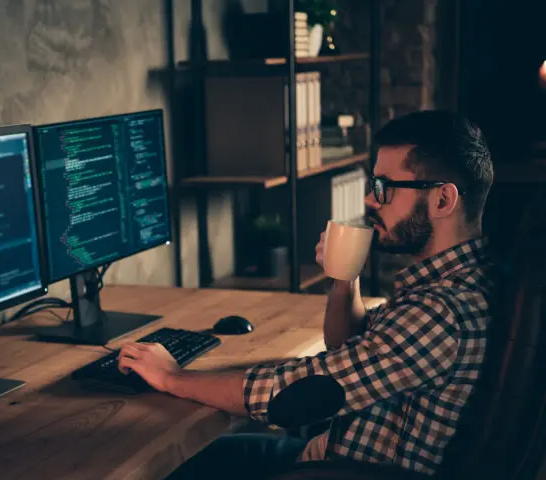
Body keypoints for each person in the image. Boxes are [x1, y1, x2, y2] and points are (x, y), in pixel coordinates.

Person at [117, 110, 498, 478]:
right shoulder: (456, 281)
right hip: (326, 458)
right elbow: (346, 347)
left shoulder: (441, 312)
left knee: (166, 466)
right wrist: (344, 276)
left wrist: (173, 378)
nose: (369, 200)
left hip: (341, 472)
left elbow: (297, 394)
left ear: (443, 200)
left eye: (383, 188)